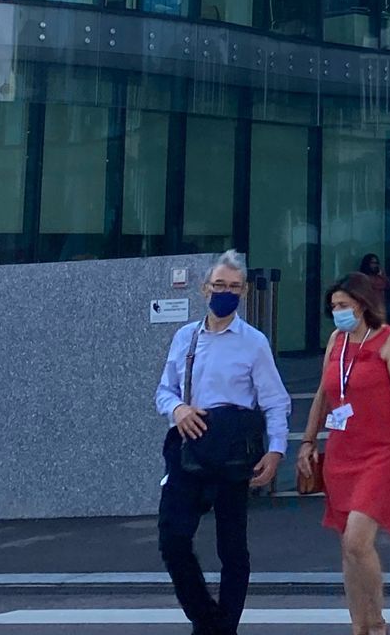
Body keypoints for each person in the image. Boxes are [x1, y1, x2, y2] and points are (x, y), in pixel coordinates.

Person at [154, 249, 290, 635]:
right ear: (205, 288)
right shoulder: (185, 338)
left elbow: (275, 400)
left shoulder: (253, 343)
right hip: (190, 447)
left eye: (233, 287)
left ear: (244, 292)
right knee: (172, 540)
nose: (225, 292)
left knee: (231, 547)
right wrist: (178, 409)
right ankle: (207, 619)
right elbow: (164, 391)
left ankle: (224, 627)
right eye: (219, 285)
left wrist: (276, 450)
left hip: (232, 453)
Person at [297, 271, 390, 635]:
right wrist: (308, 440)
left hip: (382, 453)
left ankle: (377, 622)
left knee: (357, 539)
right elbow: (323, 394)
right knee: (348, 548)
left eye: (345, 305)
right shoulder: (336, 341)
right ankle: (359, 625)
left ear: (363, 305)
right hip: (342, 452)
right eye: (334, 306)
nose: (338, 312)